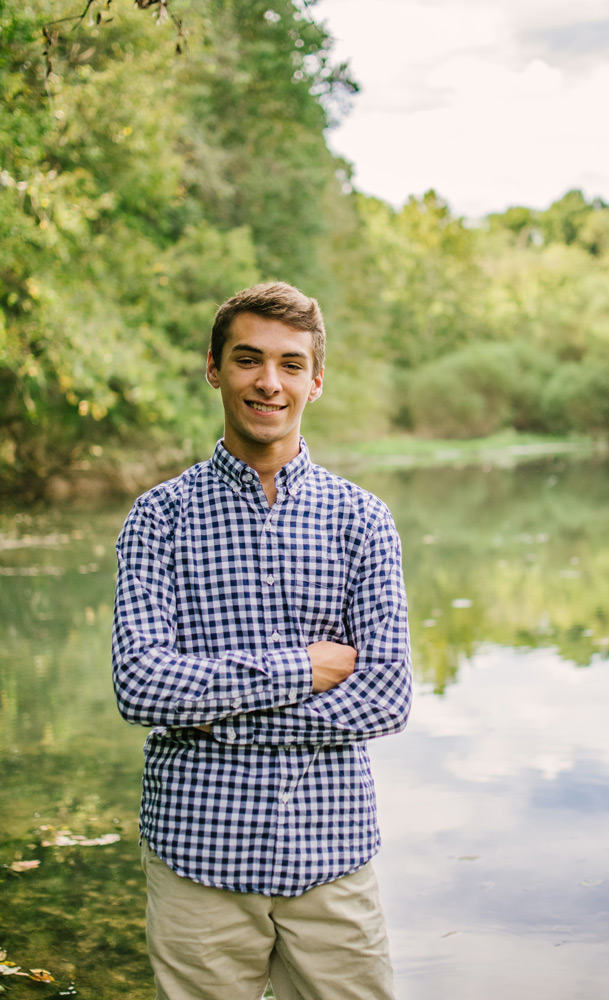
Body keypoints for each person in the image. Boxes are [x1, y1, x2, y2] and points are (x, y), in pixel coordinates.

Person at [112, 281, 412, 1000]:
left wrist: (214, 717)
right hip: (198, 863)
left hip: (330, 856)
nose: (267, 382)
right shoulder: (158, 520)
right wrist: (302, 669)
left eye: (288, 363)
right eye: (248, 360)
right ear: (214, 368)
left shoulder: (361, 521)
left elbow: (385, 700)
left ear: (315, 380)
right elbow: (141, 685)